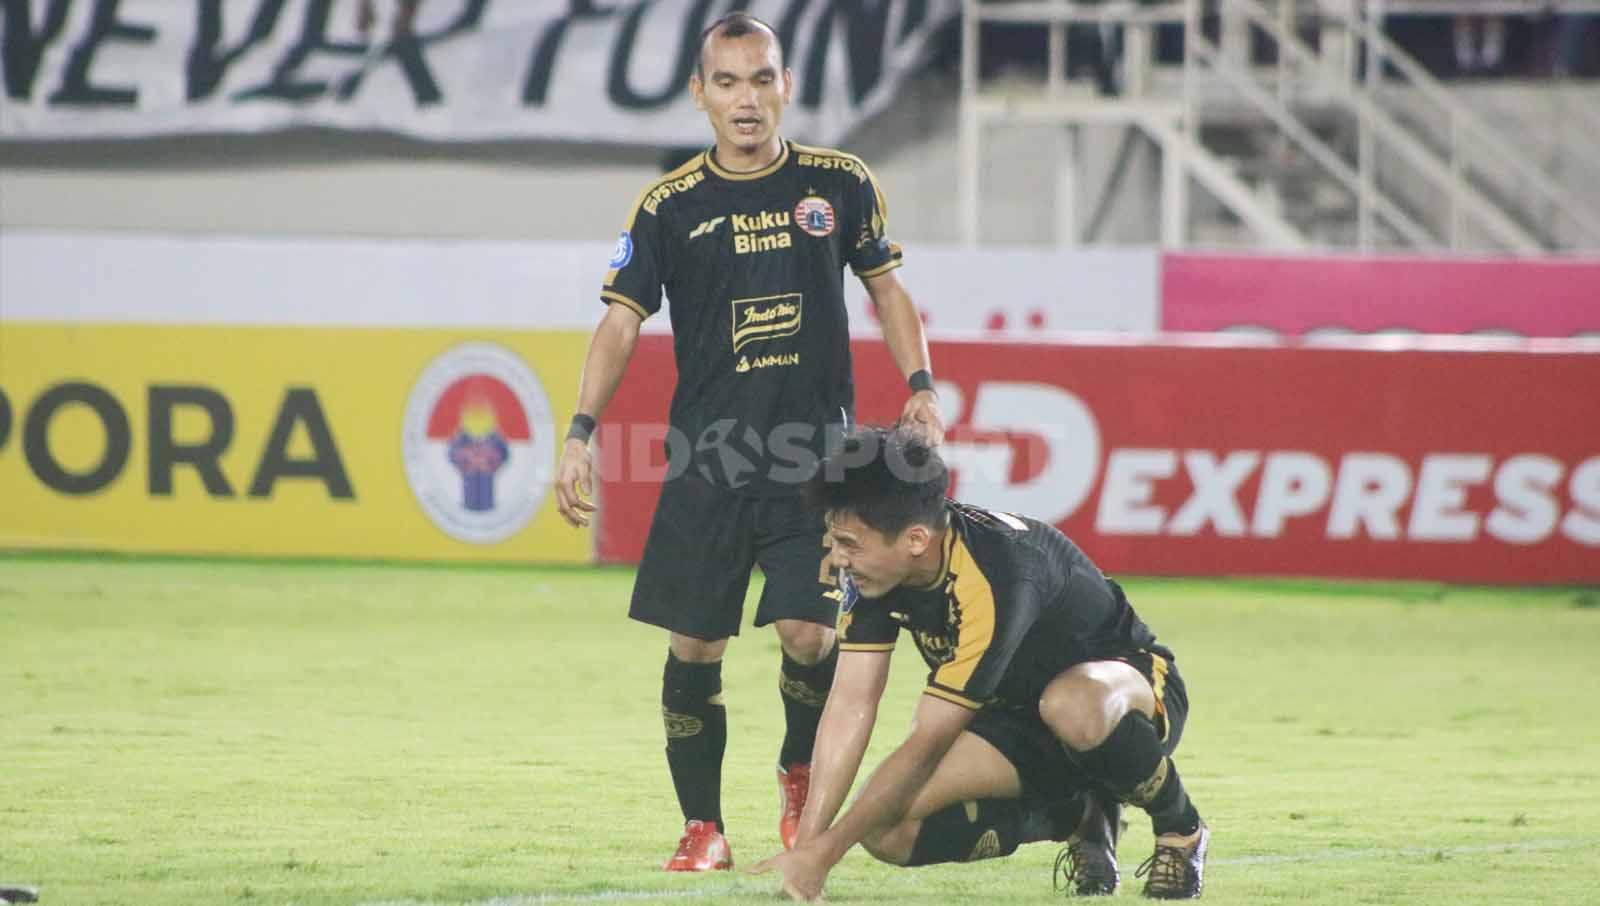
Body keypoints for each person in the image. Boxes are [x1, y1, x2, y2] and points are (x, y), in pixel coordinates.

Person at [553, 13, 944, 873]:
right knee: (695, 647)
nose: (746, 99)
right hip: (709, 463)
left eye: (761, 79)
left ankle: (798, 773)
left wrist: (919, 387)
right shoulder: (670, 206)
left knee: (810, 634)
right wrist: (580, 432)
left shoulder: (838, 184)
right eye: (726, 82)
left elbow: (888, 289)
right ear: (699, 94)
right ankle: (702, 827)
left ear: (785, 88)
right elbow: (620, 323)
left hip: (816, 466)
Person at [753, 426, 1209, 901]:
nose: (839, 558)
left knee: (1070, 702)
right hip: (1014, 718)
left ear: (913, 539)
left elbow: (929, 740)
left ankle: (1182, 830)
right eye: (836, 540)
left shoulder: (997, 574)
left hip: (1126, 694)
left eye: (849, 543)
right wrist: (808, 850)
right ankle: (1077, 814)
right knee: (886, 831)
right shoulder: (876, 574)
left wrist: (825, 856)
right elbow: (850, 705)